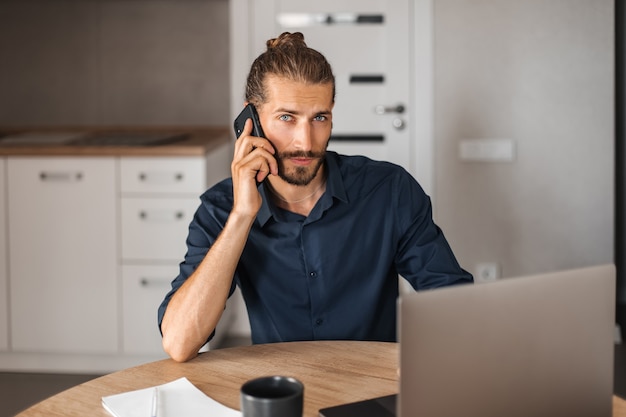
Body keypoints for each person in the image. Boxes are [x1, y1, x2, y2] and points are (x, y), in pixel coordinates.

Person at [158, 32, 472, 362]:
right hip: (282, 394)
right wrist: (241, 217)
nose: (305, 141)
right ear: (251, 121)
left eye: (319, 118)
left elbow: (452, 306)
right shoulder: (221, 208)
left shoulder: (390, 191)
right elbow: (179, 343)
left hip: (372, 389)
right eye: (286, 118)